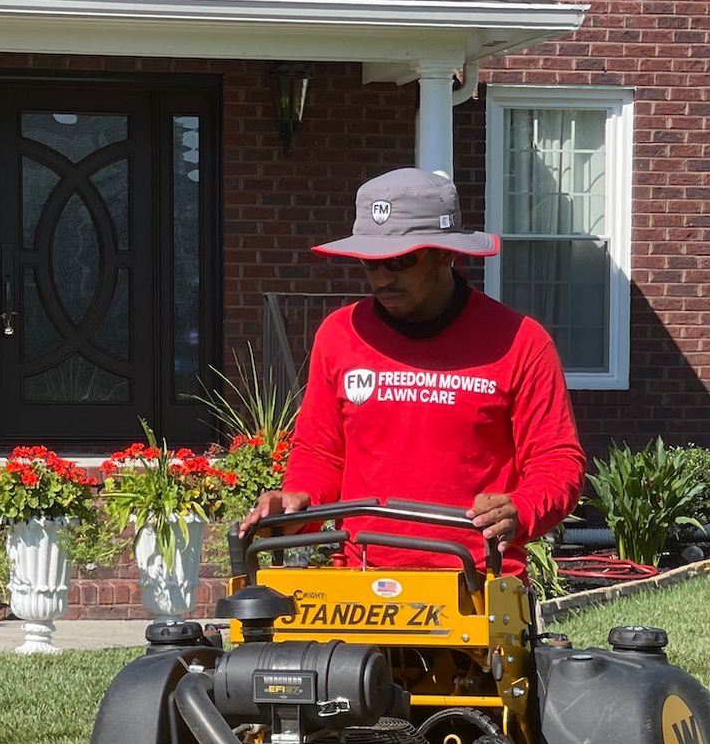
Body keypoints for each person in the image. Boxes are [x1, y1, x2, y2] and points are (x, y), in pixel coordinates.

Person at [240, 167, 586, 575]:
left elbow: (557, 461)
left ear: (446, 253)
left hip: (478, 583)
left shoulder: (521, 342)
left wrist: (522, 509)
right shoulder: (339, 335)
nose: (383, 278)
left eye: (401, 261)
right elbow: (321, 453)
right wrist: (298, 502)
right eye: (371, 264)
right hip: (361, 580)